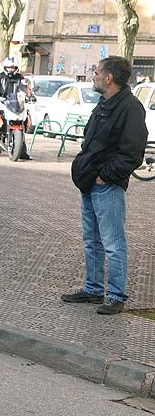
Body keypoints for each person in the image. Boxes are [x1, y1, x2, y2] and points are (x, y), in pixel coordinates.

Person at [60, 56, 146, 316]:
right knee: (92, 240)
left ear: (109, 78)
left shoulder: (131, 107)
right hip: (89, 181)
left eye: (96, 72)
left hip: (106, 185)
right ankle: (93, 288)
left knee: (113, 242)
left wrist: (105, 176)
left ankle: (116, 296)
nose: (93, 76)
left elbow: (132, 152)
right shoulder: (104, 103)